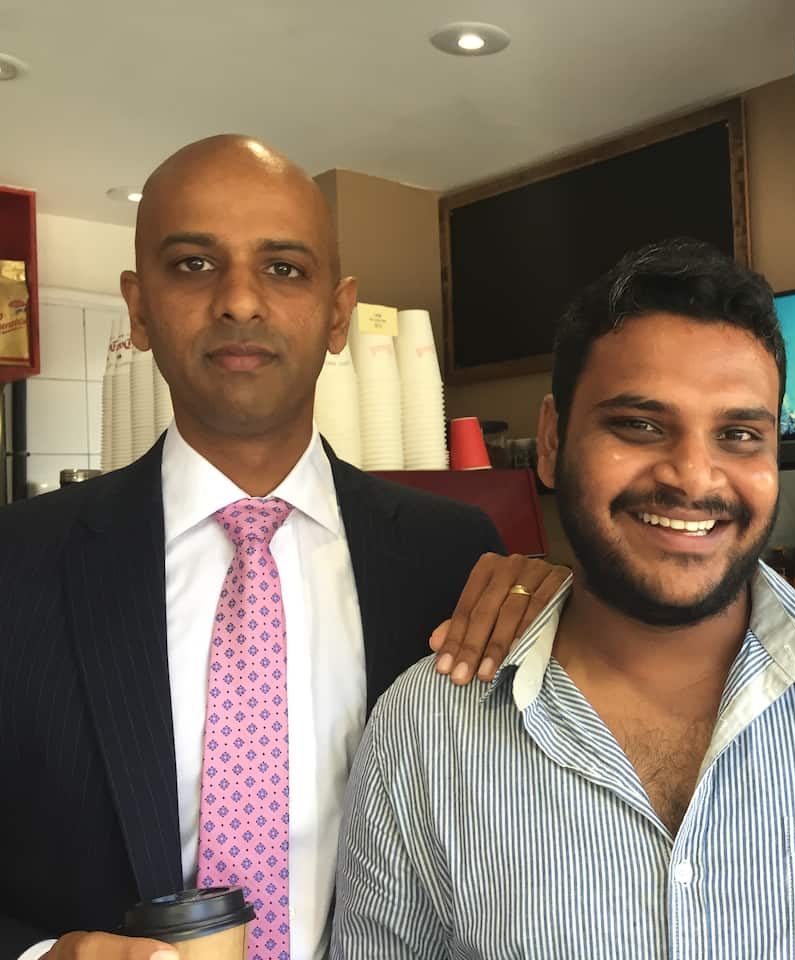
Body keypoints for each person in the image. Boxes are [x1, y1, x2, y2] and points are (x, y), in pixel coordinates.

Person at [330, 238, 795, 959]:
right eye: (640, 425)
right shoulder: (422, 736)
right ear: (553, 442)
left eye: (739, 435)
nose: (693, 476)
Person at [0, 135, 558, 960]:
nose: (239, 301)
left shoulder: (452, 556)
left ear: (337, 314)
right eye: (193, 264)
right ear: (139, 308)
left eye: (284, 268)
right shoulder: (17, 563)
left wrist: (567, 617)